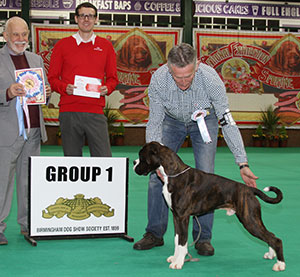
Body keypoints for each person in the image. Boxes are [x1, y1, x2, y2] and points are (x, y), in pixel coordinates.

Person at [133, 43, 258, 256]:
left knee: (205, 175)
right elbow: (154, 121)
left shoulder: (211, 80)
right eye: (177, 76)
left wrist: (242, 162)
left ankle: (203, 238)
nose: (182, 82)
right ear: (169, 68)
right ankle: (154, 233)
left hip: (204, 122)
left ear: (197, 65)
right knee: (156, 177)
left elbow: (227, 121)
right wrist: (156, 160)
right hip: (170, 122)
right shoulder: (159, 80)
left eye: (188, 76)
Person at [0, 16, 51, 245]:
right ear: (5, 36)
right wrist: (7, 93)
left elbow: (41, 96)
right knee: (3, 182)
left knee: (28, 181)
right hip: (7, 132)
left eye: (24, 35)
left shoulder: (36, 59)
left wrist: (46, 94)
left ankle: (28, 224)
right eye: (15, 35)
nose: (20, 39)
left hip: (33, 131)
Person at [48, 2, 118, 157]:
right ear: (76, 18)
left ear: (96, 19)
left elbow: (113, 78)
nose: (86, 19)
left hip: (95, 111)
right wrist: (64, 87)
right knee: (72, 161)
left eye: (90, 16)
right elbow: (52, 78)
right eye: (82, 15)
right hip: (69, 111)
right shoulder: (62, 45)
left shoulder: (106, 46)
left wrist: (107, 88)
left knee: (104, 160)